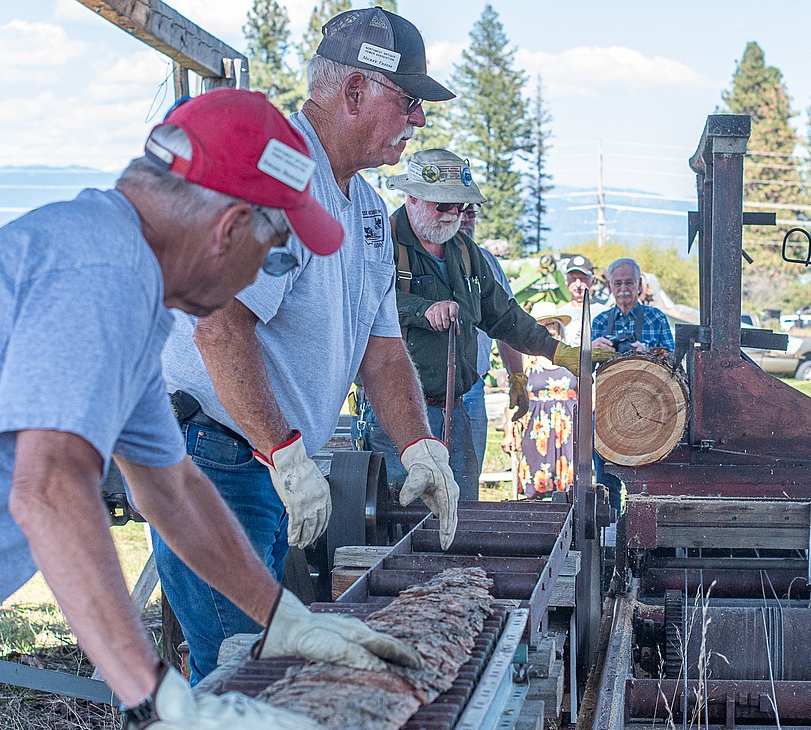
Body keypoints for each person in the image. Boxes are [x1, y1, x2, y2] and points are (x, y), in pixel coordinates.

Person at [0, 89, 425, 730]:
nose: (267, 271)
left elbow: (170, 487)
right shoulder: (98, 271)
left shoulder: (115, 272)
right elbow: (49, 487)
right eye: (276, 251)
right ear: (230, 227)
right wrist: (149, 696)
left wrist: (282, 616)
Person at [157, 8, 460, 684]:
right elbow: (219, 324)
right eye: (408, 102)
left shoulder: (370, 214)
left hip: (257, 464)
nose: (417, 120)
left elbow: (382, 352)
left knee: (255, 665)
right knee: (241, 673)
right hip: (216, 462)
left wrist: (419, 448)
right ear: (355, 92)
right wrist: (286, 456)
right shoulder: (273, 176)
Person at [360, 148, 610, 499]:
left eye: (460, 206)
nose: (454, 215)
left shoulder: (464, 251)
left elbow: (503, 316)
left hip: (457, 410)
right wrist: (421, 309)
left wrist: (557, 351)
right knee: (401, 517)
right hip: (397, 412)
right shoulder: (378, 242)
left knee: (461, 513)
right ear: (413, 197)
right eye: (444, 205)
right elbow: (361, 302)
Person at [589, 256, 676, 515]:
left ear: (639, 285)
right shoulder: (600, 322)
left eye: (629, 282)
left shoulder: (655, 318)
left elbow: (673, 361)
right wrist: (591, 350)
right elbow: (584, 370)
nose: (624, 289)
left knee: (645, 480)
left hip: (650, 412)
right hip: (608, 411)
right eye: (618, 283)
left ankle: (640, 529)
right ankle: (611, 529)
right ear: (610, 286)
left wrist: (648, 352)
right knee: (606, 480)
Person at [457, 203, 524, 479]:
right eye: (456, 210)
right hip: (418, 388)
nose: (464, 220)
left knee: (466, 481)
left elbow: (506, 325)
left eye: (471, 213)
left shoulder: (487, 263)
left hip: (471, 388)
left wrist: (517, 378)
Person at [507, 301, 578, 499]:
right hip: (537, 431)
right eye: (543, 326)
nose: (549, 330)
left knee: (569, 489)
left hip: (568, 431)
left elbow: (585, 394)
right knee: (535, 486)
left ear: (558, 327)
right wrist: (509, 431)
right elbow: (513, 397)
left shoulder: (570, 359)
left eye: (552, 325)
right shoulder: (527, 362)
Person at [555, 254, 609, 345]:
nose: (578, 284)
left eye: (583, 279)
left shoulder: (605, 313)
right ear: (566, 281)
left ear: (593, 281)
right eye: (573, 279)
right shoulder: (559, 315)